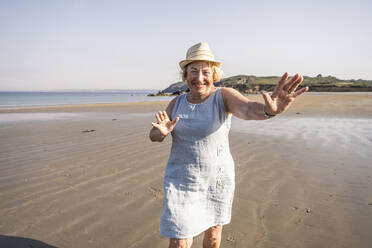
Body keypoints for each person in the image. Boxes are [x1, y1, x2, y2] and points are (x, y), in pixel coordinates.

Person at [149, 42, 308, 248]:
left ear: (214, 74)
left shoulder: (223, 96)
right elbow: (154, 134)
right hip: (182, 181)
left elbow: (249, 109)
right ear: (185, 75)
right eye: (193, 71)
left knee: (213, 237)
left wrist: (271, 111)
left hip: (216, 179)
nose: (199, 78)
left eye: (205, 72)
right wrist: (160, 132)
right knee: (180, 241)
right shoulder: (176, 103)